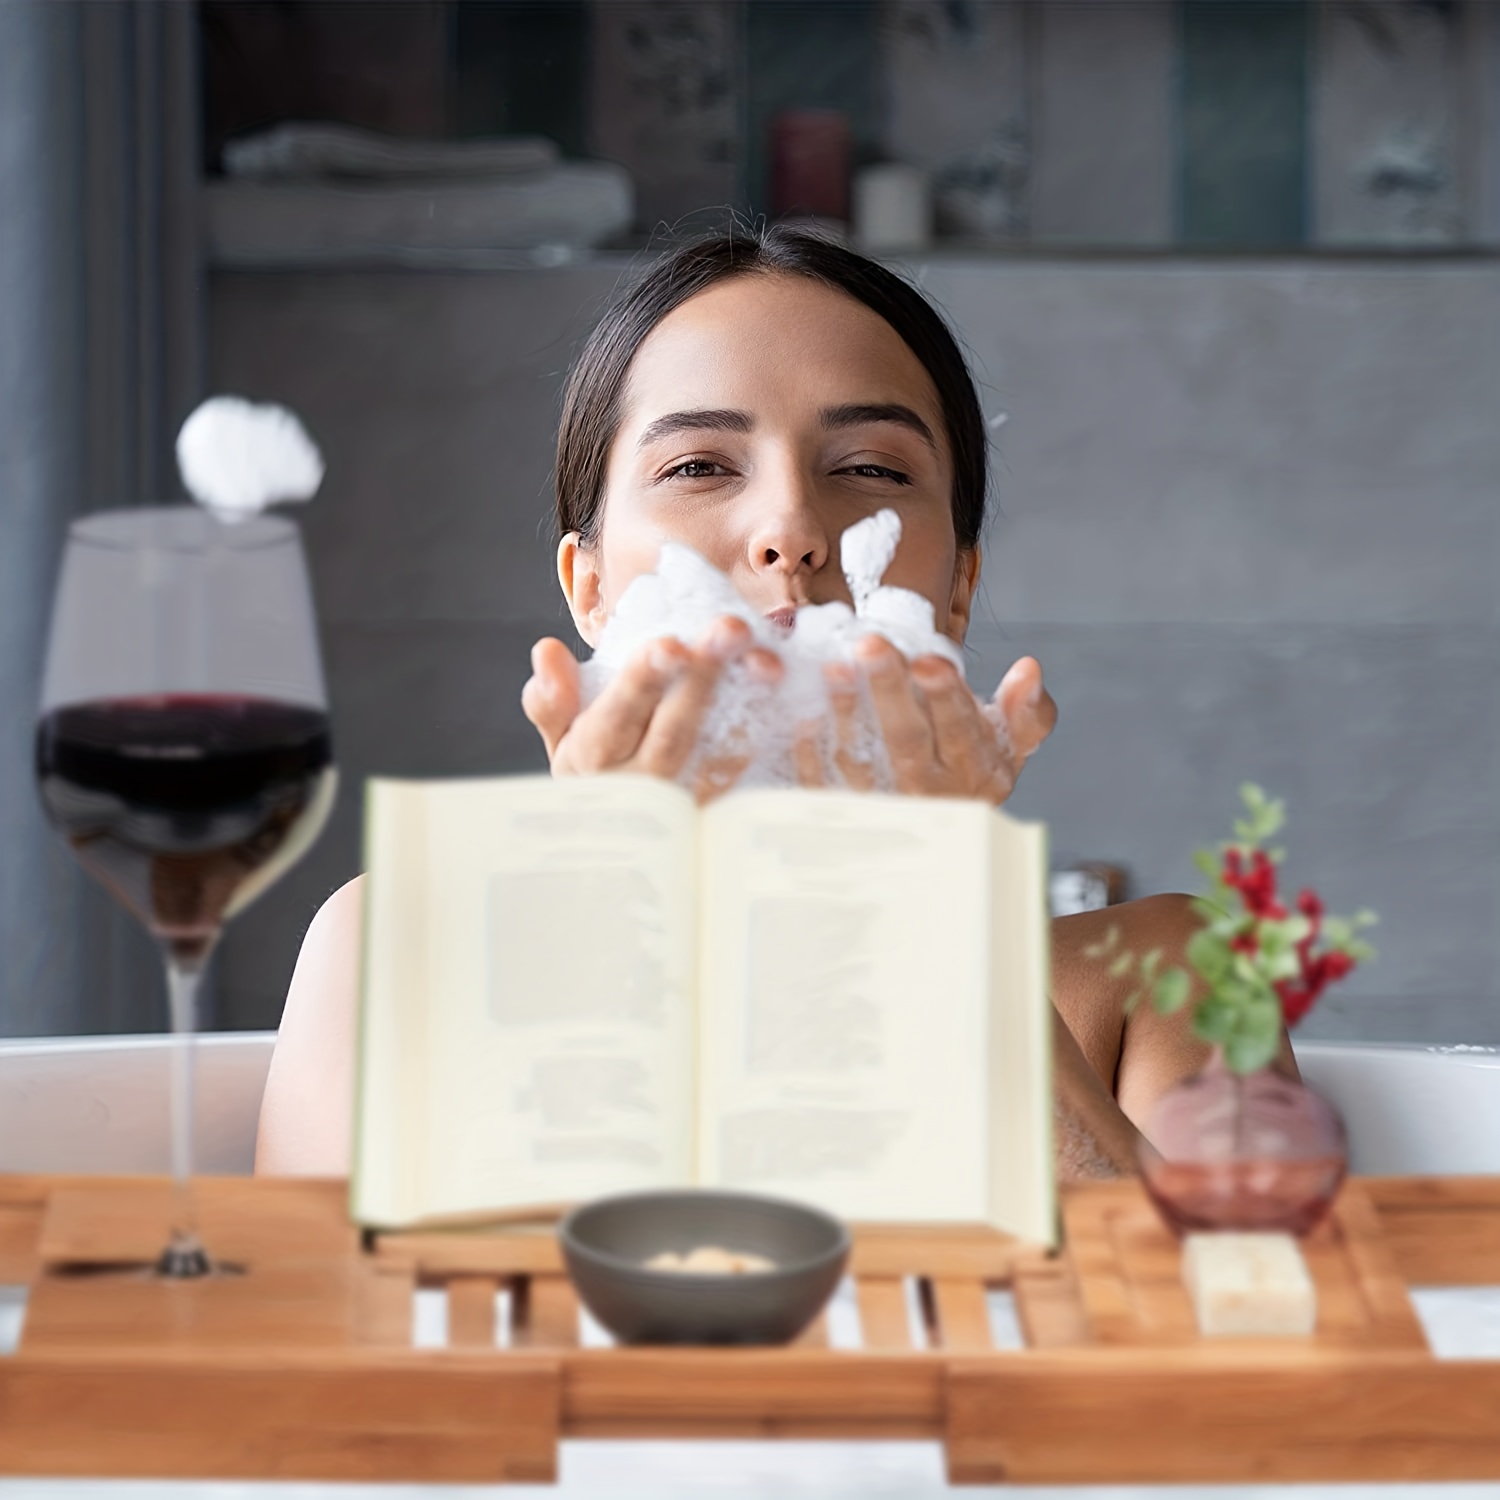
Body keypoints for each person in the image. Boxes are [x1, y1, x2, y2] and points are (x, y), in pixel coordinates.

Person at [256, 224, 1226, 1180]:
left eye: (870, 471)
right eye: (699, 468)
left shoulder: (1160, 977)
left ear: (960, 585)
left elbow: (1203, 1331)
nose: (792, 530)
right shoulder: (398, 949)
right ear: (587, 586)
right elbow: (346, 1332)